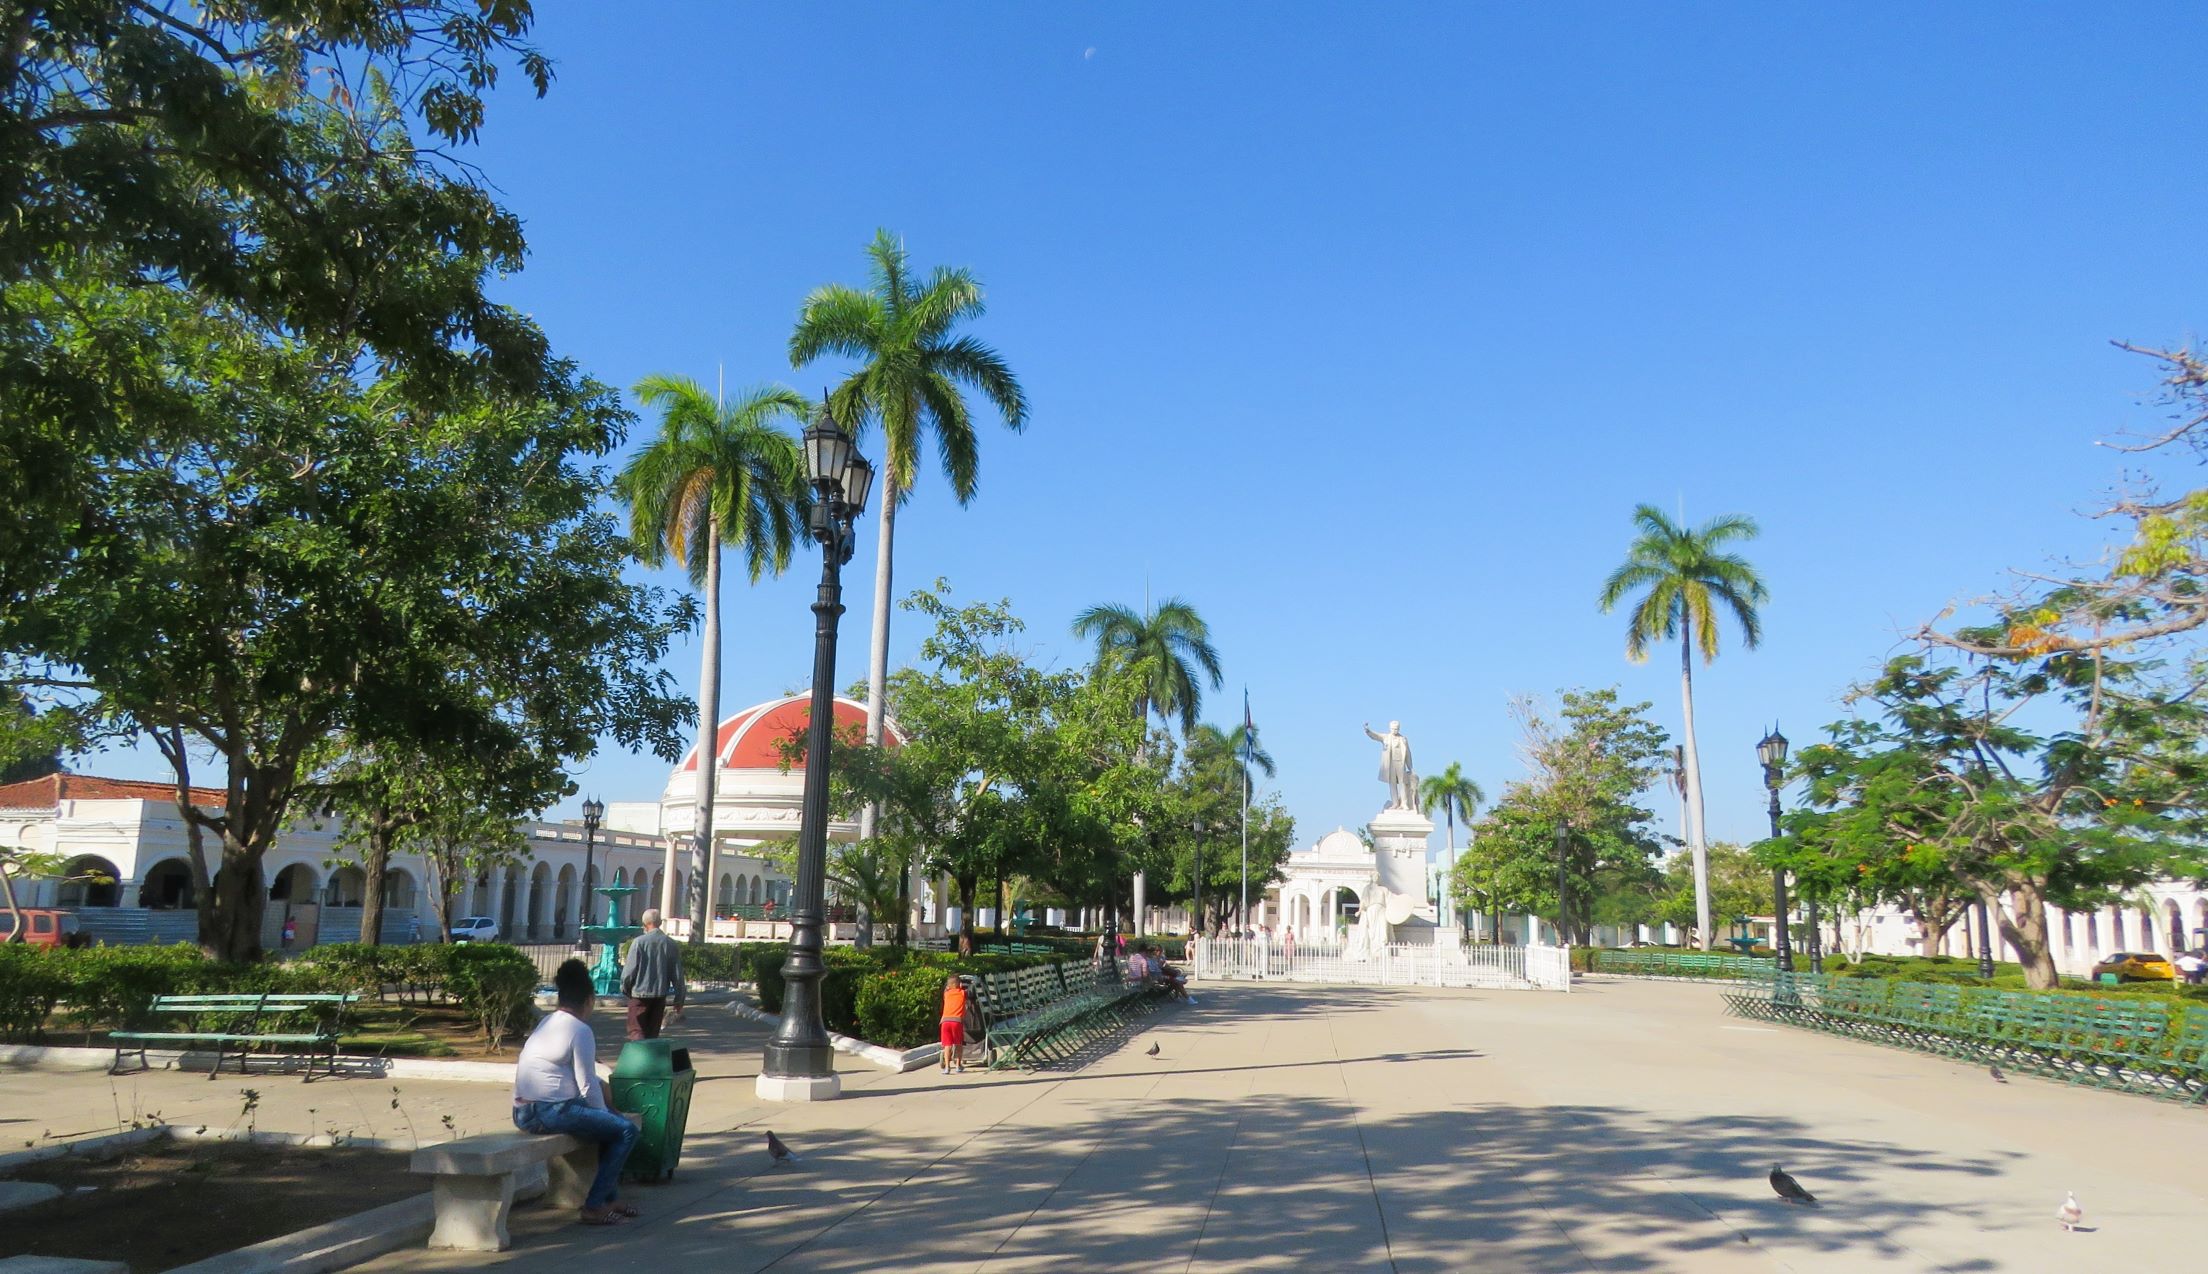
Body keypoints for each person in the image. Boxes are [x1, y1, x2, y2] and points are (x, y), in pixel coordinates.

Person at [514, 959, 640, 1226]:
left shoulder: (548, 1021)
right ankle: (594, 1205)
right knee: (626, 1130)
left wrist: (605, 1113)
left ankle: (609, 1198)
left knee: (610, 1127)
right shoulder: (580, 1030)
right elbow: (586, 1085)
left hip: (524, 1111)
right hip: (549, 1111)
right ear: (590, 1000)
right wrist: (609, 1111)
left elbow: (568, 1074)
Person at [620, 909, 686, 1041]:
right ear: (660, 922)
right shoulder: (670, 943)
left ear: (645, 924)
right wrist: (679, 998)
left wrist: (626, 989)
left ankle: (640, 1059)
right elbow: (677, 974)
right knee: (652, 1034)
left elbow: (629, 972)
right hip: (660, 996)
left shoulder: (638, 942)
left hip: (639, 994)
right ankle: (650, 1059)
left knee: (636, 1030)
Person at [939, 975, 971, 1074]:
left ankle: (947, 1068)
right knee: (958, 1043)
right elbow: (970, 993)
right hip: (956, 1021)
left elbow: (946, 989)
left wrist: (949, 987)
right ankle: (958, 1065)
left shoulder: (946, 994)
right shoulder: (962, 993)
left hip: (945, 1021)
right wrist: (961, 987)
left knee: (947, 1045)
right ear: (959, 984)